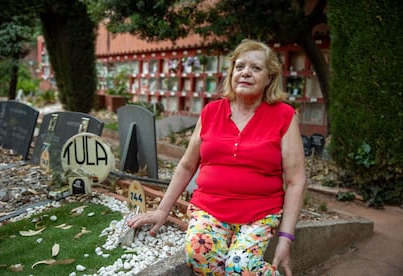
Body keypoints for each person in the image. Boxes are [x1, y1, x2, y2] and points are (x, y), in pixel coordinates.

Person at [128, 39, 307, 276]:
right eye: (240, 66)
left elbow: (296, 180)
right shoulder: (211, 112)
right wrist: (163, 210)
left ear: (270, 78)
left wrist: (285, 238)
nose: (245, 73)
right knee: (199, 256)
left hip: (259, 214)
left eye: (256, 68)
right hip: (209, 209)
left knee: (241, 266)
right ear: (232, 73)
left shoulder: (284, 115)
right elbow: (186, 165)